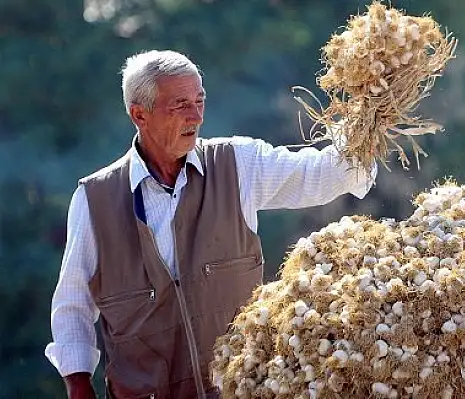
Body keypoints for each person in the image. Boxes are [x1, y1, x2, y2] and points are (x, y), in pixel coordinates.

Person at [44, 50, 377, 399]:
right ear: (139, 115)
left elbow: (325, 174)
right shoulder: (94, 200)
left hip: (241, 390)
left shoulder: (238, 165)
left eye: (200, 100)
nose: (197, 116)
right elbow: (72, 306)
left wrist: (371, 112)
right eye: (180, 104)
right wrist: (79, 385)